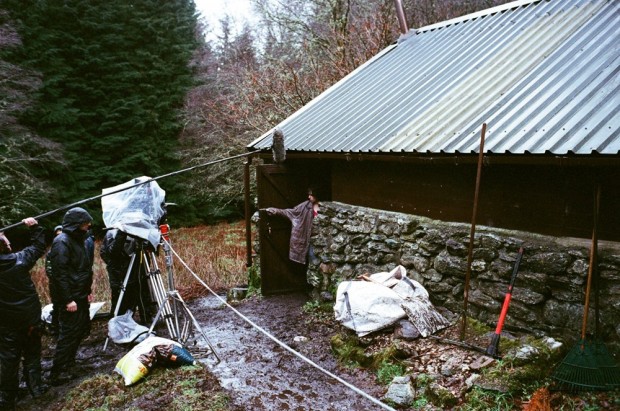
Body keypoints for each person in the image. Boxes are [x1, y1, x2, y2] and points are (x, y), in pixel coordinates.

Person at [0, 217, 48, 410]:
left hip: (6, 323)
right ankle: (36, 389)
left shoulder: (18, 259)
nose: (9, 242)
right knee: (32, 353)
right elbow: (38, 246)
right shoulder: (19, 260)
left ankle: (7, 399)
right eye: (6, 240)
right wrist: (35, 227)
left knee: (8, 359)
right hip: (29, 320)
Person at [48, 207, 94, 385]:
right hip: (70, 298)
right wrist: (68, 300)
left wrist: (87, 291)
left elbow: (83, 268)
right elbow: (59, 274)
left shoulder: (79, 239)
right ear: (76, 224)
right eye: (85, 223)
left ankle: (69, 363)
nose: (88, 226)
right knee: (68, 334)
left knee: (81, 330)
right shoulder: (62, 242)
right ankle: (57, 373)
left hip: (80, 294)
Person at [100, 229, 154, 325]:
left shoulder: (138, 230)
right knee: (122, 298)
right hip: (120, 272)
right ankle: (119, 323)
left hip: (138, 266)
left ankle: (147, 318)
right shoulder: (113, 232)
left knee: (142, 290)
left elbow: (151, 248)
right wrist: (122, 233)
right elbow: (110, 253)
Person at [265, 188, 320, 265]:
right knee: (312, 259)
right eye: (309, 195)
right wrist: (275, 211)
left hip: (320, 239)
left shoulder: (325, 207)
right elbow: (291, 212)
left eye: (311, 195)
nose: (309, 197)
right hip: (307, 239)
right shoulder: (305, 206)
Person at [45, 225, 63, 336]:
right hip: (56, 284)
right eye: (57, 235)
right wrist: (59, 280)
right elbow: (49, 269)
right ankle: (54, 327)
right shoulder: (51, 252)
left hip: (68, 283)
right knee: (57, 306)